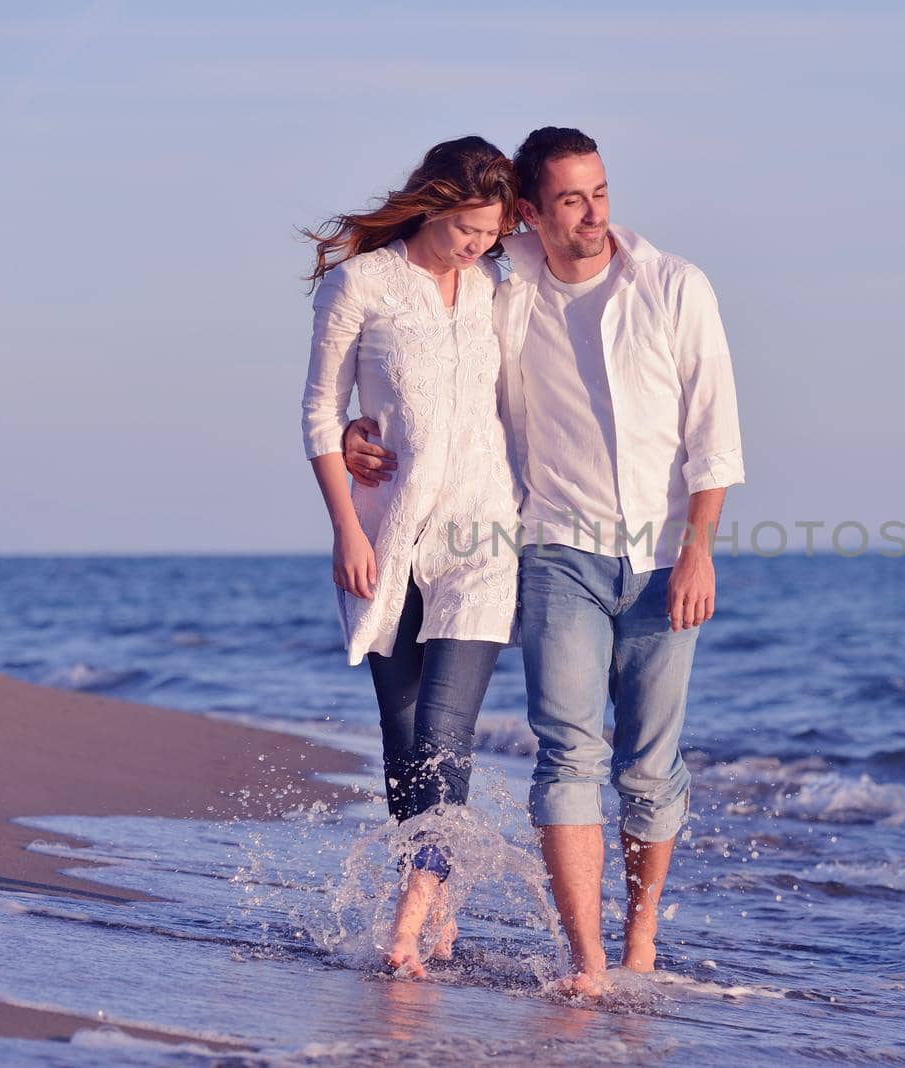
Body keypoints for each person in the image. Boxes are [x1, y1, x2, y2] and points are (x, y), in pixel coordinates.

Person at [343, 127, 744, 995]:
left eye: (600, 192)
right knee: (567, 752)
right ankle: (588, 964)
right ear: (533, 211)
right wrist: (355, 427)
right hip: (555, 548)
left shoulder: (675, 286)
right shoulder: (505, 274)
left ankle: (639, 944)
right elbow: (425, 351)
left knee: (649, 765)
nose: (594, 213)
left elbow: (716, 438)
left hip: (664, 556)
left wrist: (700, 552)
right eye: (570, 199)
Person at [299, 135, 522, 979]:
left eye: (490, 233)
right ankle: (435, 897)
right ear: (433, 203)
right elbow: (323, 413)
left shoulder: (499, 284)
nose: (476, 246)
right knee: (402, 742)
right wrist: (344, 528)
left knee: (443, 731)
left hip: (484, 531)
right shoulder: (361, 284)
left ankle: (409, 919)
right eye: (467, 228)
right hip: (387, 533)